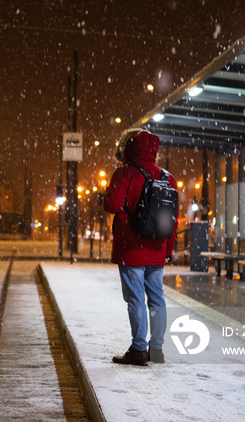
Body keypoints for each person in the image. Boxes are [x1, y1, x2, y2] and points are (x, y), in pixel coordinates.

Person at [103, 129, 178, 366]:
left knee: (135, 298)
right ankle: (156, 349)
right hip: (157, 247)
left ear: (130, 147)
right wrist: (168, 250)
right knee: (156, 298)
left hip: (131, 247)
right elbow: (172, 220)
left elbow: (112, 205)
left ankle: (138, 349)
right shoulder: (168, 178)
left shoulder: (125, 173)